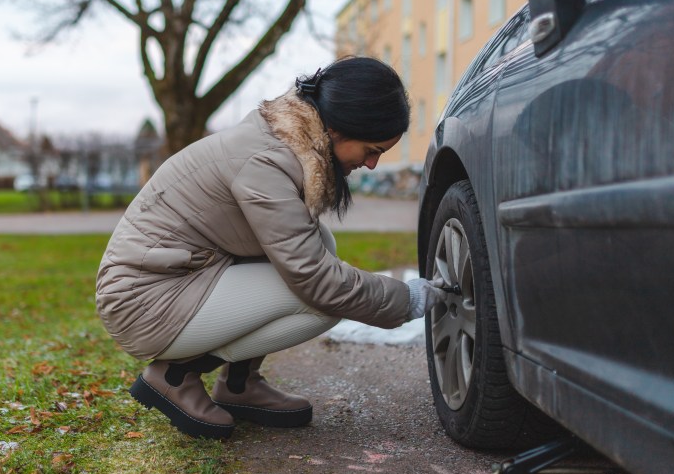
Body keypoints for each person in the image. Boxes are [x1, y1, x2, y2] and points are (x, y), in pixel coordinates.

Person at [95, 57, 446, 439]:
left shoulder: (281, 142)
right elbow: (314, 278)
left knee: (320, 244)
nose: (374, 164)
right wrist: (405, 299)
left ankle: (240, 384)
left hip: (178, 277)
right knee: (321, 301)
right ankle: (176, 374)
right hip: (144, 301)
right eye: (372, 148)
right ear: (336, 128)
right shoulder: (266, 161)